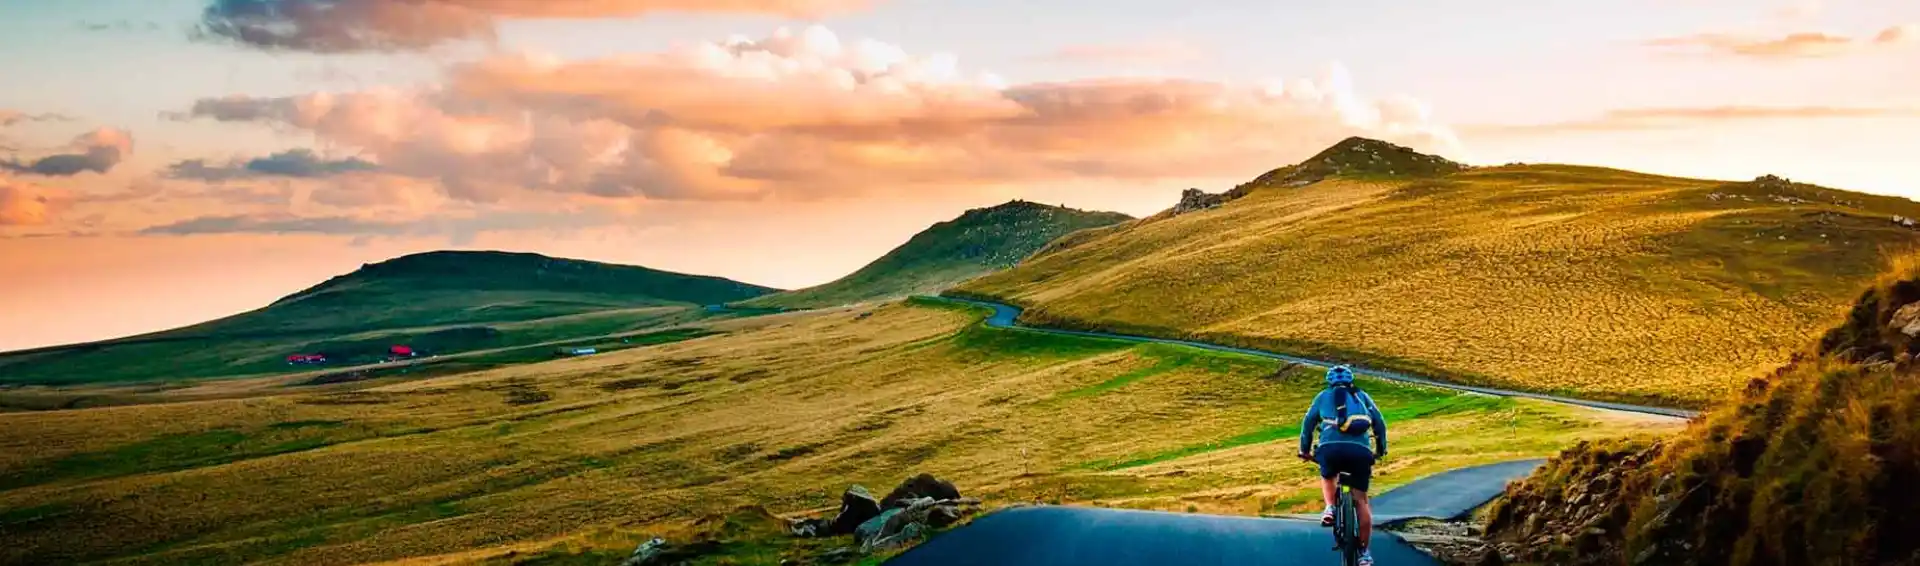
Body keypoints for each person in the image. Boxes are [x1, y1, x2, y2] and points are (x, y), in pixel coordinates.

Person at [1297, 365, 1388, 566]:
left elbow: (1308, 424)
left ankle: (1330, 508)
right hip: (1360, 452)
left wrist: (1304, 450)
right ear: (1350, 380)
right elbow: (1379, 423)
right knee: (1361, 501)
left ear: (1329, 381)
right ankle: (1364, 554)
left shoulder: (1323, 396)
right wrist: (1381, 450)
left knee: (1328, 475)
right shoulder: (1362, 396)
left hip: (1331, 448)